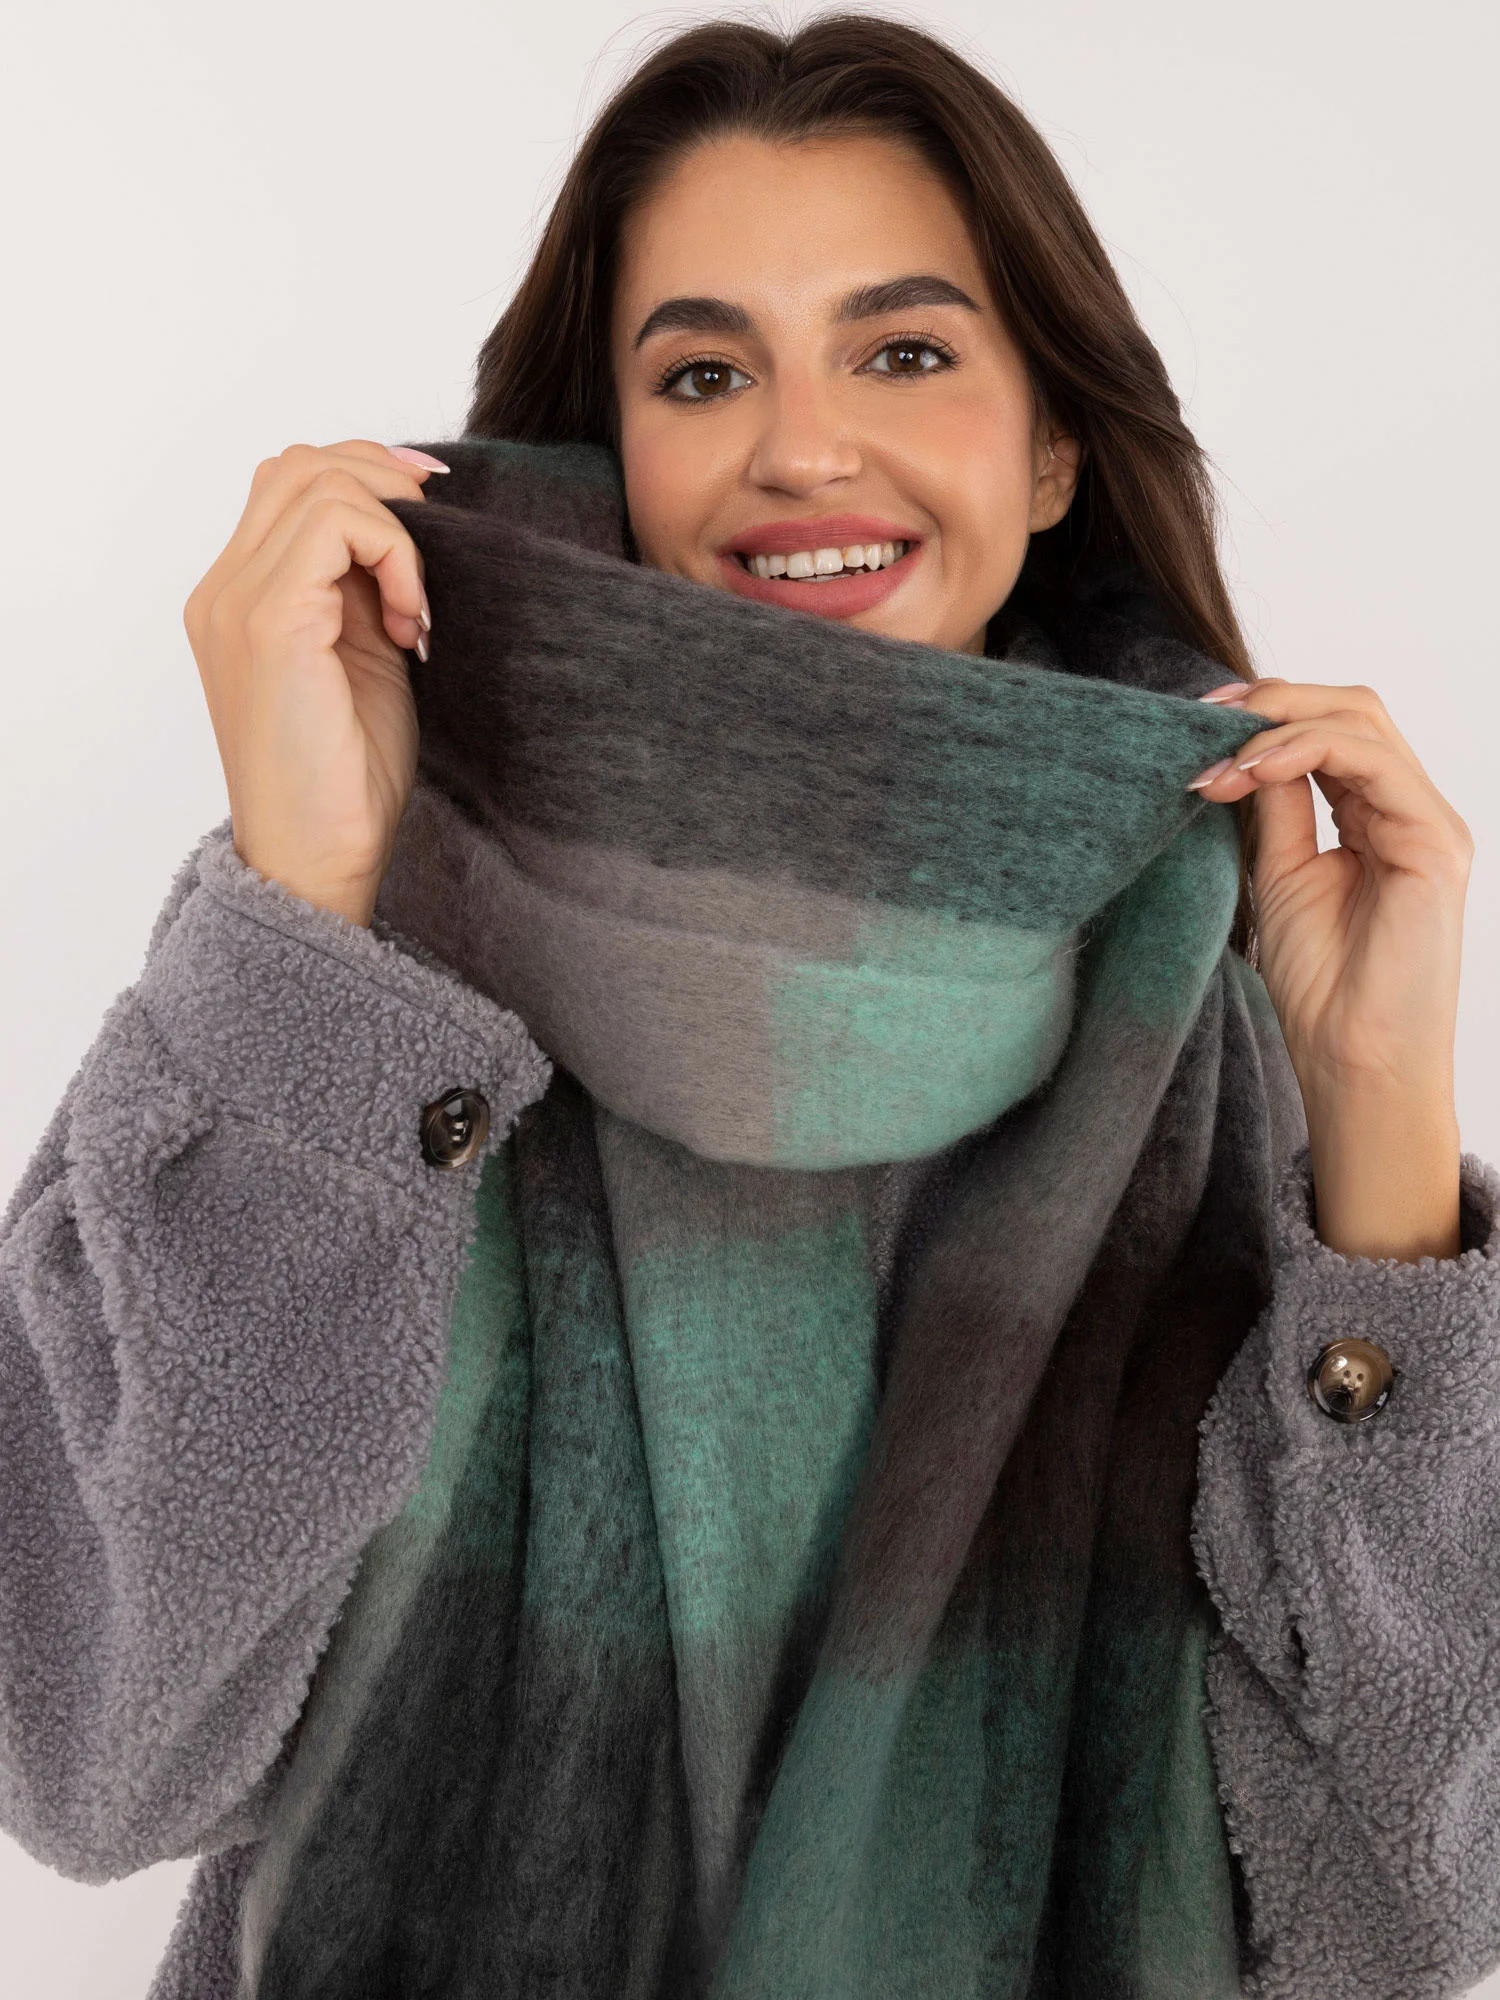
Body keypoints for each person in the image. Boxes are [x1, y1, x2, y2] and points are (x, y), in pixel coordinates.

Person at [1, 15, 1494, 1999]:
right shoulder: (372, 995)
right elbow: (86, 1748)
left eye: (904, 352)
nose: (801, 447)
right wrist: (299, 912)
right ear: (614, 455)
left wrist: (1381, 1119)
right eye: (703, 373)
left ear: (1054, 449)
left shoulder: (1192, 1026)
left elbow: (1411, 1901)